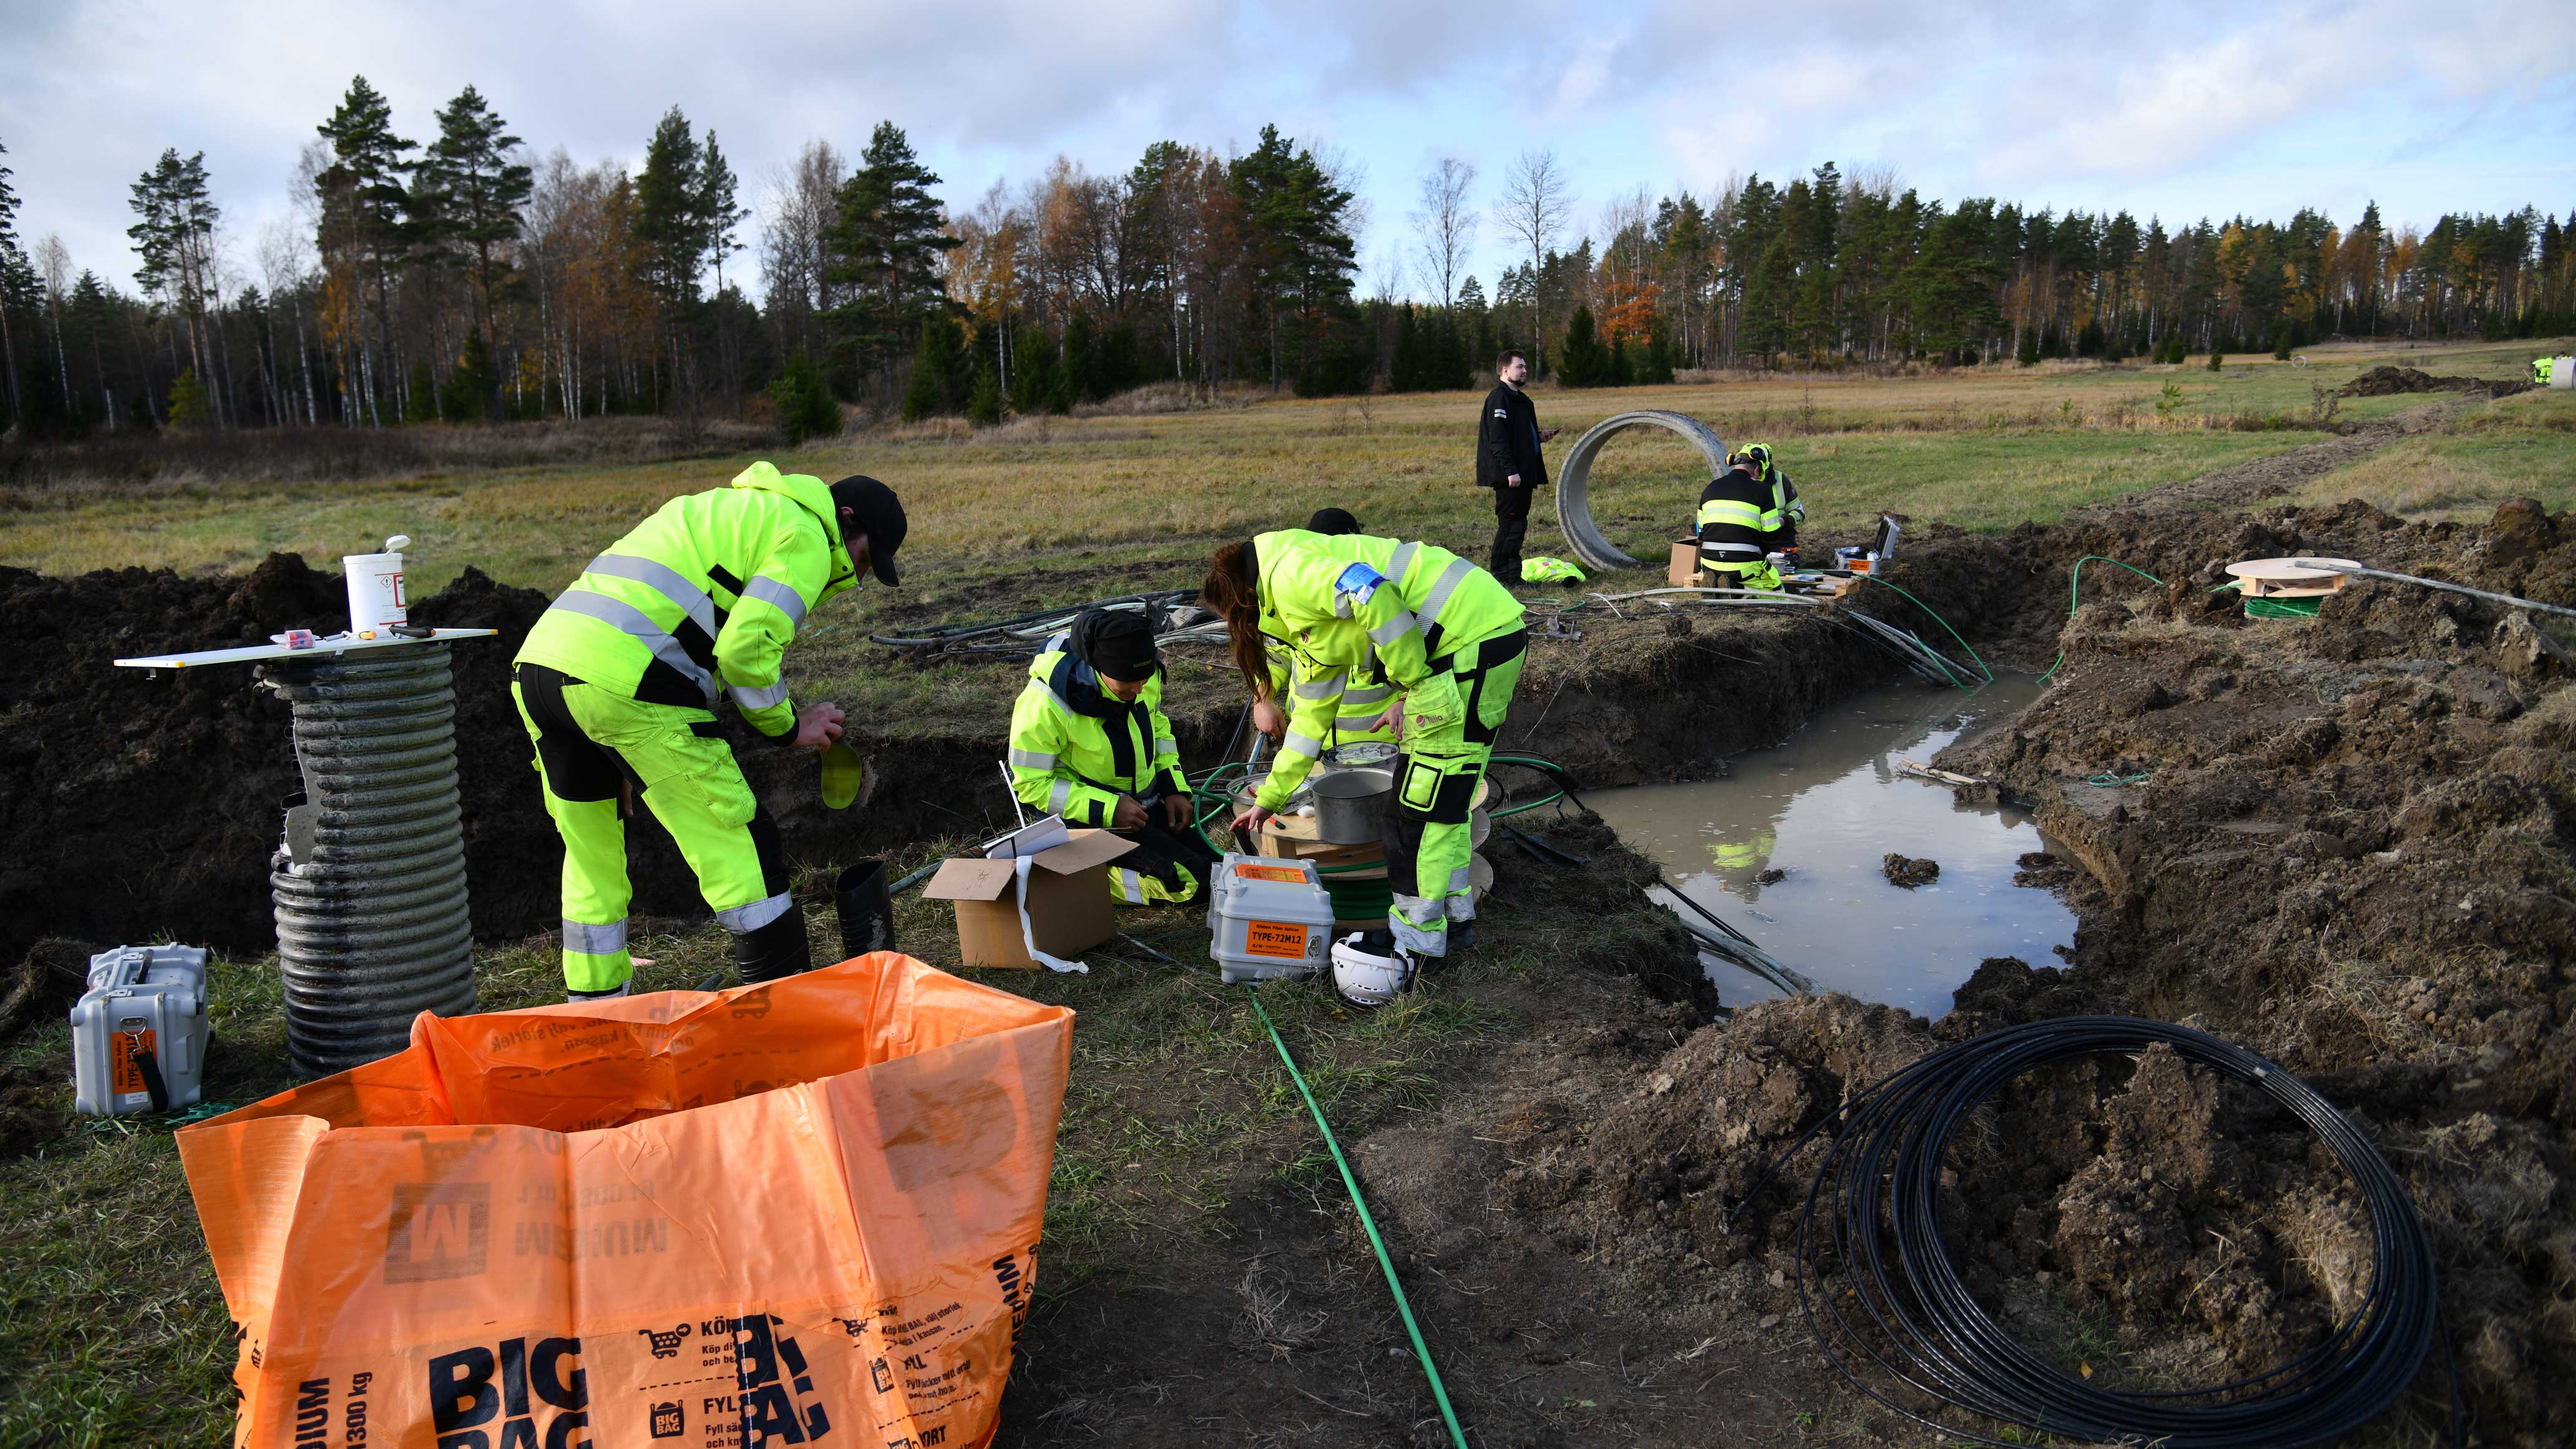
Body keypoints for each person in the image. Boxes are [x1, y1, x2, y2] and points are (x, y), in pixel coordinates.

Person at [512, 461, 905, 1000]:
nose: (859, 579)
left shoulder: (730, 507)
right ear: (846, 521)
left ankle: (597, 1012)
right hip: (632, 683)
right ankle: (784, 1005)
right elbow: (745, 652)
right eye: (864, 561)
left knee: (592, 850)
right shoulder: (809, 536)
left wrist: (608, 734)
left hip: (542, 672)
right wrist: (790, 728)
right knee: (741, 841)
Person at [1201, 528, 1528, 961]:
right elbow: (1310, 720)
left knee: (1418, 815)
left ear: (1243, 602)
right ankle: (1454, 918)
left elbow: (1369, 590)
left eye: (1233, 622)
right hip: (1475, 639)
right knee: (1439, 801)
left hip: (1469, 644)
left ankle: (1417, 946)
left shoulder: (1289, 575)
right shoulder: (1302, 618)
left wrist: (1411, 679)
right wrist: (1274, 795)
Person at [1007, 608, 1217, 904]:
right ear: (1098, 668)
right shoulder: (1043, 704)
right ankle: (1068, 876)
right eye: (1128, 684)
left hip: (1142, 811)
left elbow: (1159, 732)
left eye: (1144, 679)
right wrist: (1110, 809)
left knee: (1219, 870)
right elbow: (1031, 785)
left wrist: (1173, 790)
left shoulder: (1141, 676)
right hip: (1085, 822)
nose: (1139, 689)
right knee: (1193, 883)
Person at [1252, 508, 1398, 754]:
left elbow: (1418, 664)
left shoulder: (1381, 603)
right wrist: (1262, 701)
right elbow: (1276, 656)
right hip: (1310, 748)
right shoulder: (1294, 597)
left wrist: (1405, 703)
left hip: (1383, 749)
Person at [1476, 348, 1560, 588]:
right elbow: (1498, 440)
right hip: (1510, 477)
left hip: (1523, 475)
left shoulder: (1521, 400)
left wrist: (1539, 437)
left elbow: (1517, 435)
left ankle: (1513, 576)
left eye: (1525, 367)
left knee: (1519, 525)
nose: (1525, 371)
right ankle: (1502, 576)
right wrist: (1511, 471)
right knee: (1510, 525)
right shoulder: (1499, 399)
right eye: (1520, 367)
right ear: (1505, 370)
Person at [1697, 452, 1783, 592]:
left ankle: (1723, 585)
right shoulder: (1763, 490)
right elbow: (1772, 535)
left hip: (1708, 563)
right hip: (1745, 566)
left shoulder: (1710, 488)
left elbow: (1700, 531)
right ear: (1756, 469)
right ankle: (1736, 586)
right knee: (1776, 590)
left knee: (1737, 577)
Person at [1740, 441, 1805, 561]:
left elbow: (1799, 512)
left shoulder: (1781, 480)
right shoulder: (1742, 482)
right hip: (1751, 539)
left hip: (1780, 539)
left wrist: (1783, 521)